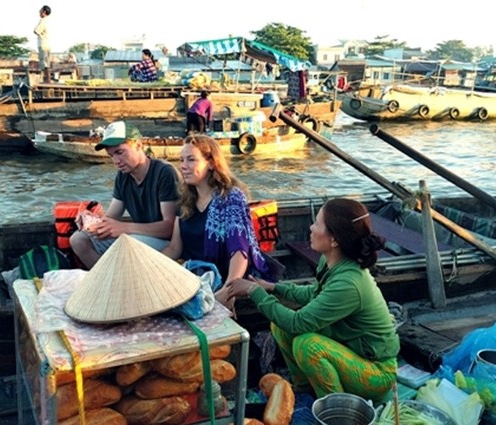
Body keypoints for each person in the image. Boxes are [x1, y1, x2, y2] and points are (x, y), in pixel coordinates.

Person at [226, 198, 399, 400]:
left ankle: (335, 409)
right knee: (280, 326)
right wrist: (273, 287)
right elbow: (313, 295)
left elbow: (297, 323)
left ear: (334, 240)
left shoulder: (349, 283)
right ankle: (304, 391)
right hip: (349, 352)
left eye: (317, 223)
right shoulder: (329, 262)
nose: (310, 227)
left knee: (307, 345)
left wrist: (254, 291)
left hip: (377, 372)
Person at [161, 134, 273, 306]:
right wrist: (148, 266)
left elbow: (239, 252)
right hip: (194, 277)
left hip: (222, 279)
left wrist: (228, 292)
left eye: (191, 160)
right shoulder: (184, 200)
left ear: (211, 163)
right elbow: (175, 248)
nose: (183, 166)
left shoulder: (231, 198)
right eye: (181, 160)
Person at [69, 121, 179, 269]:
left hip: (168, 242)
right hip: (137, 237)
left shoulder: (164, 172)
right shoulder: (123, 176)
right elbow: (111, 218)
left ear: (139, 145)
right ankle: (106, 280)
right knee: (78, 240)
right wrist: (92, 221)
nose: (116, 161)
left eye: (120, 152)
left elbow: (169, 228)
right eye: (111, 155)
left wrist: (124, 227)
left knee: (127, 244)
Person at [33, 5, 52, 83]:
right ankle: (47, 79)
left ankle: (47, 80)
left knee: (44, 63)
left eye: (40, 10)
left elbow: (36, 31)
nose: (39, 12)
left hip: (43, 44)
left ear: (44, 12)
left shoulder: (43, 20)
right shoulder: (48, 20)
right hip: (47, 43)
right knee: (46, 62)